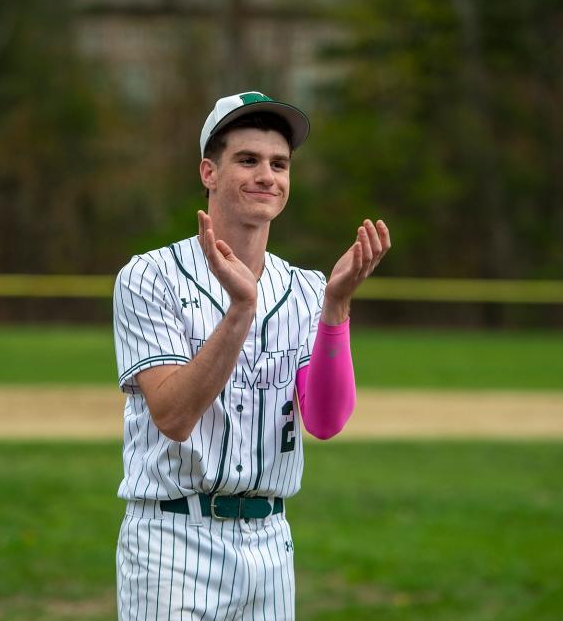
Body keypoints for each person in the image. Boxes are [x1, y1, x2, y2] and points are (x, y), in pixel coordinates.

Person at [112, 91, 390, 619]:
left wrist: (336, 307)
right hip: (173, 540)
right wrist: (241, 309)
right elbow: (172, 416)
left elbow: (327, 421)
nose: (268, 175)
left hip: (269, 545)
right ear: (208, 172)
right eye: (248, 160)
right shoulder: (149, 277)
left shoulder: (308, 289)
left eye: (279, 164)